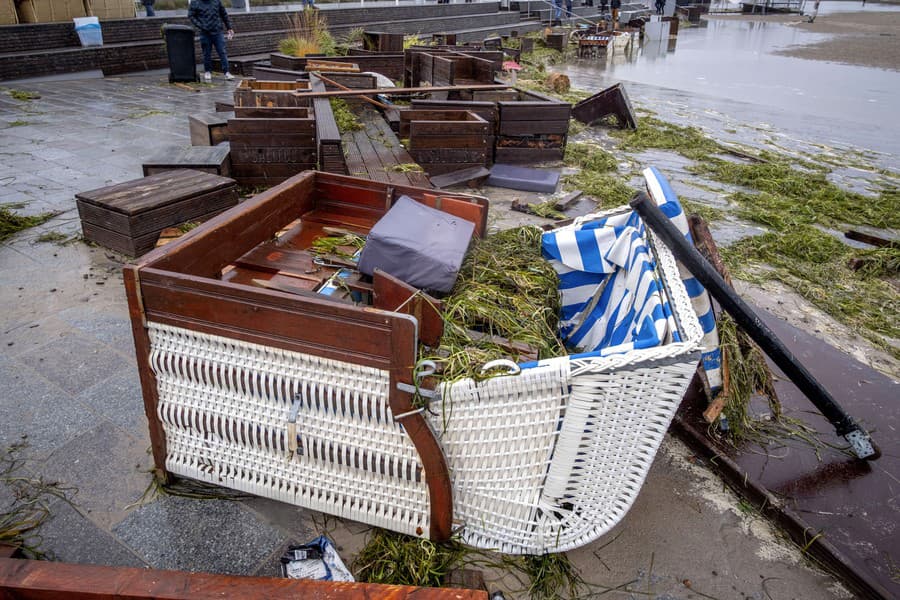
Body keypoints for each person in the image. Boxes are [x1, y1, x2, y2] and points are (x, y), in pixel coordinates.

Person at [188, 0, 235, 82]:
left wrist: (229, 28)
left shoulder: (217, 1)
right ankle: (208, 71)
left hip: (218, 31)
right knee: (206, 53)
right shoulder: (195, 2)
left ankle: (226, 72)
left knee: (222, 52)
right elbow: (191, 16)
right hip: (205, 33)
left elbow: (224, 14)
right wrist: (201, 25)